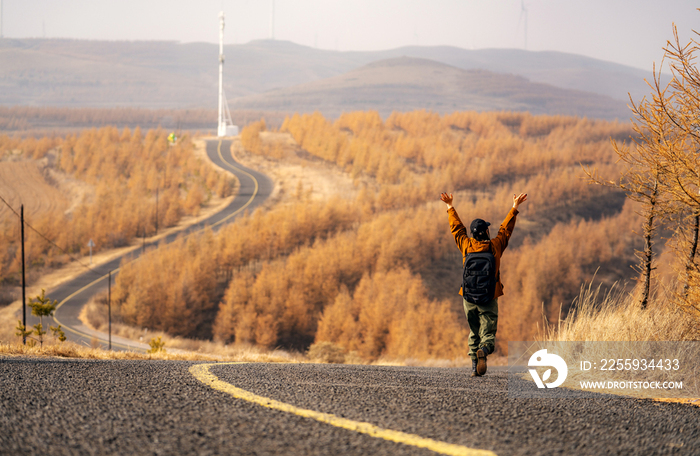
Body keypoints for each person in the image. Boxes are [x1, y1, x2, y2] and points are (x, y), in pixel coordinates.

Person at [439, 192, 528, 377]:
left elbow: (456, 229)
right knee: (488, 329)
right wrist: (514, 207)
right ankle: (485, 350)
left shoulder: (465, 245)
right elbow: (505, 230)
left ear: (473, 233)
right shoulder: (495, 246)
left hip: (468, 296)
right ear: (486, 232)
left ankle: (474, 366)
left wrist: (450, 207)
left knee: (474, 330)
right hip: (489, 295)